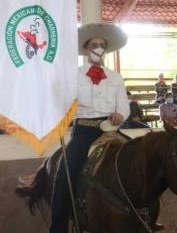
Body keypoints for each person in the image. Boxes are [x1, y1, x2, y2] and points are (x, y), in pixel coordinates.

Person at [50, 23, 130, 233]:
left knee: (140, 160)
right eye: (94, 44)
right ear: (86, 48)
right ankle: (58, 228)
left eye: (102, 45)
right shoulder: (73, 75)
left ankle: (144, 216)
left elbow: (124, 105)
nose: (99, 48)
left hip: (110, 129)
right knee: (63, 176)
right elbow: (62, 100)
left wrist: (120, 114)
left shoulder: (115, 77)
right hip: (84, 130)